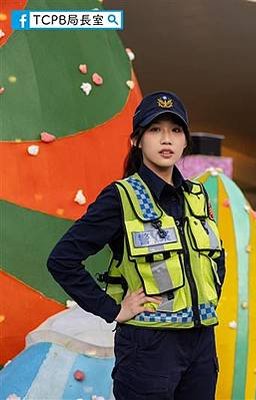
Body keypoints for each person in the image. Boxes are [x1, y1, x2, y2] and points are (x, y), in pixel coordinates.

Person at [47, 91, 225, 399]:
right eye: (155, 130)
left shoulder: (198, 195)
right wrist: (112, 309)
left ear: (185, 142)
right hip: (149, 349)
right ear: (137, 140)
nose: (166, 139)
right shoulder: (121, 198)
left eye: (175, 130)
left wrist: (208, 300)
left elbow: (215, 258)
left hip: (201, 345)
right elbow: (62, 259)